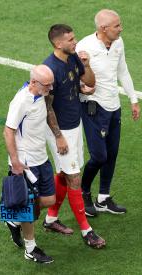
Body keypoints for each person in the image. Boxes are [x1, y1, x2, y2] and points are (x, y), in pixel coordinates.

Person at [42, 24, 106, 249]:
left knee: (65, 172)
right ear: (58, 44)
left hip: (74, 124)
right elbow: (47, 107)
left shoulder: (73, 58)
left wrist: (86, 66)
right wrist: (59, 137)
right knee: (74, 178)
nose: (75, 41)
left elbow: (89, 82)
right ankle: (86, 231)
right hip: (60, 130)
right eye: (70, 39)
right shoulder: (49, 69)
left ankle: (50, 219)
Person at [76, 9, 141, 217]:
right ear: (103, 28)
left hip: (114, 106)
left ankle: (103, 197)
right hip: (93, 107)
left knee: (111, 154)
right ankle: (83, 192)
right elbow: (73, 76)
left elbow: (123, 70)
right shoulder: (84, 47)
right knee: (99, 156)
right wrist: (81, 88)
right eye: (117, 26)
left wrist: (133, 99)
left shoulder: (118, 43)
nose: (121, 28)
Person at [3, 65, 56, 264]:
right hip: (25, 164)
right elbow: (8, 131)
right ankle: (30, 249)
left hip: (41, 158)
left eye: (51, 84)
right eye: (47, 85)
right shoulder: (21, 101)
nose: (50, 88)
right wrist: (15, 162)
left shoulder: (41, 93)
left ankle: (14, 220)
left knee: (49, 200)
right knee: (28, 206)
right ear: (34, 82)